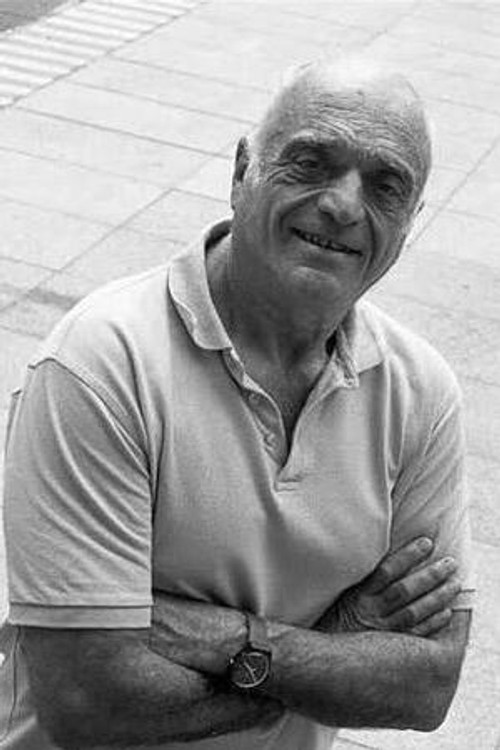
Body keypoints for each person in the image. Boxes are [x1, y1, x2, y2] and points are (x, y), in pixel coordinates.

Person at [0, 57, 474, 750]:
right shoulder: (102, 362)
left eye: (385, 185)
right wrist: (332, 648)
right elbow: (88, 700)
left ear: (409, 224)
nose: (343, 205)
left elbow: (425, 687)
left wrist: (234, 640)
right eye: (311, 163)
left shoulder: (421, 390)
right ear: (242, 171)